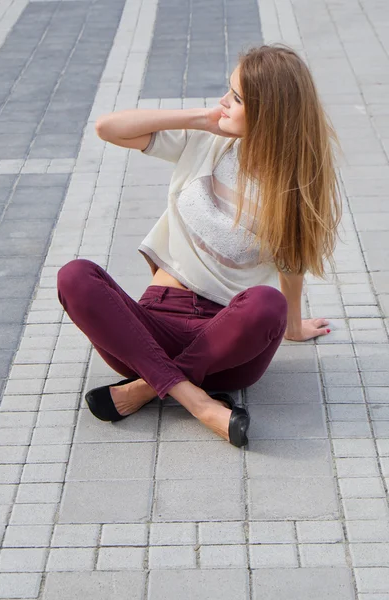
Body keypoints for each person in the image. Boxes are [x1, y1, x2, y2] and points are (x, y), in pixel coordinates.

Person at [57, 44, 341, 448]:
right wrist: (201, 119)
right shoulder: (205, 142)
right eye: (228, 90)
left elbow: (291, 264)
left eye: (237, 98)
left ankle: (143, 388)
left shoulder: (295, 185)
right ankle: (199, 403)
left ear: (269, 112)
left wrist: (291, 326)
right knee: (75, 277)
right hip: (146, 334)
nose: (223, 102)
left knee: (267, 303)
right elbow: (107, 128)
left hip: (226, 350)